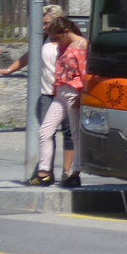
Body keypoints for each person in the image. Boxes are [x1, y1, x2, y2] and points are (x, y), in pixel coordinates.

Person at [0, 5, 74, 182]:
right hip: (48, 93)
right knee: (47, 132)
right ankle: (45, 171)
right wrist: (9, 69)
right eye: (43, 23)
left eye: (46, 23)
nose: (43, 27)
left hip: (67, 92)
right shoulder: (44, 40)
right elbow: (29, 56)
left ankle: (67, 172)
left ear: (57, 22)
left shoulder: (68, 41)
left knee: (70, 133)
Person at [28, 17, 87, 189]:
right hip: (60, 91)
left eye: (57, 37)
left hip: (74, 92)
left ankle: (75, 173)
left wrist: (81, 95)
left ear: (66, 32)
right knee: (45, 131)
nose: (55, 41)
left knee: (75, 133)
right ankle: (44, 173)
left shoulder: (82, 45)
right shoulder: (64, 44)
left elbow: (85, 73)